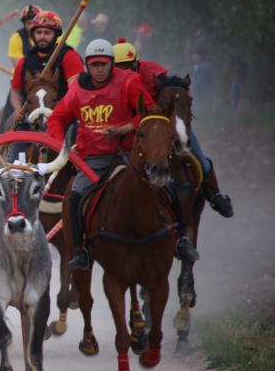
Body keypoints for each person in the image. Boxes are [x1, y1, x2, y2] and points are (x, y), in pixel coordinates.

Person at [47, 39, 198, 270]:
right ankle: (80, 251)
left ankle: (180, 240)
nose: (99, 69)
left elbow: (150, 114)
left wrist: (125, 128)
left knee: (165, 185)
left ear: (111, 63)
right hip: (93, 157)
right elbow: (57, 118)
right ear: (87, 65)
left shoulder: (129, 82)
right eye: (94, 64)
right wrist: (61, 147)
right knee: (75, 195)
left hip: (129, 151)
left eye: (104, 64)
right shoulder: (76, 90)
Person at [113, 39, 233, 218]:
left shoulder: (152, 73)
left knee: (197, 155)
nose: (123, 72)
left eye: (127, 66)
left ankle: (214, 193)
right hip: (130, 128)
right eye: (118, 67)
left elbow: (173, 86)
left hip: (161, 124)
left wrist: (183, 91)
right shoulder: (107, 81)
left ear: (136, 64)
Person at [7, 4, 42, 69]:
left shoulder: (52, 36)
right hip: (24, 76)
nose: (32, 26)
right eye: (29, 23)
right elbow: (19, 67)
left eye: (34, 23)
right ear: (24, 24)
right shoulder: (17, 38)